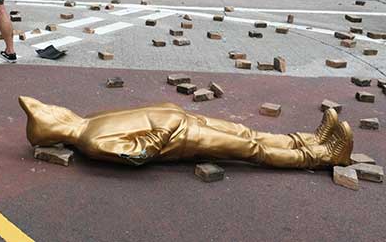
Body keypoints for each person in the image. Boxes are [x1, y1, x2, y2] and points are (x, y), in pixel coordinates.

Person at [19, 97, 353, 169]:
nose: (57, 108)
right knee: (251, 148)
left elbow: (140, 114)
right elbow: (138, 153)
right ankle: (321, 155)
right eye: (52, 113)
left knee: (248, 131)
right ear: (56, 128)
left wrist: (167, 110)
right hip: (184, 137)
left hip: (184, 120)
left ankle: (307, 139)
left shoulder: (90, 115)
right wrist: (167, 125)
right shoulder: (91, 142)